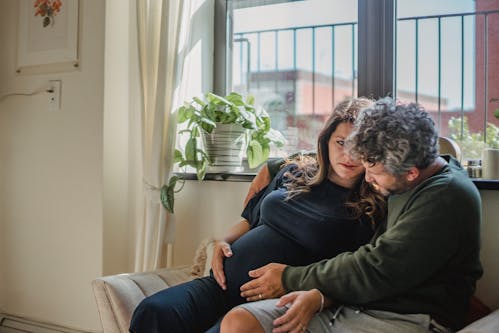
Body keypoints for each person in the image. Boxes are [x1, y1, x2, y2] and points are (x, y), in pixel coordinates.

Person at [221, 97, 483, 333]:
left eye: (373, 171)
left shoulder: (446, 197)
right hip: (359, 303)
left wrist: (290, 279)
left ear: (411, 172)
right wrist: (275, 165)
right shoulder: (409, 172)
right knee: (239, 322)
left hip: (407, 317)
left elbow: (376, 267)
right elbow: (327, 155)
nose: (367, 178)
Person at [129, 97, 387, 333]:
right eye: (341, 143)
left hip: (267, 302)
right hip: (219, 286)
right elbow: (249, 219)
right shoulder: (294, 173)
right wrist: (223, 241)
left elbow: (354, 274)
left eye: (359, 146)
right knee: (152, 312)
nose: (348, 155)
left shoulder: (369, 207)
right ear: (326, 141)